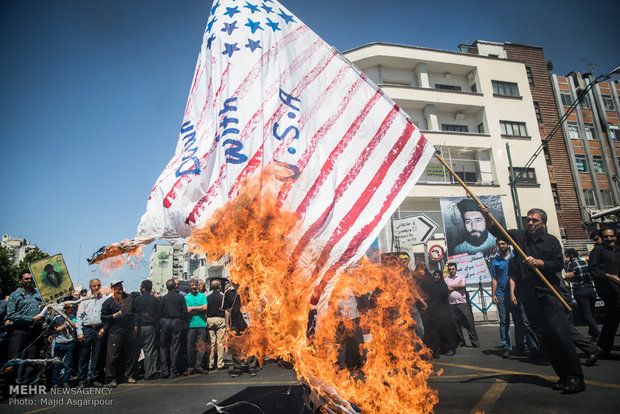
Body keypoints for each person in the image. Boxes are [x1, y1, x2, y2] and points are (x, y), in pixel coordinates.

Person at [482, 206, 585, 393]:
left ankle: (576, 377)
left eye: (534, 220)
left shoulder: (552, 241)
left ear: (543, 223)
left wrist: (540, 263)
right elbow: (496, 230)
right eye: (528, 220)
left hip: (549, 294)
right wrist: (486, 215)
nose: (530, 223)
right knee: (545, 338)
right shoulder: (520, 237)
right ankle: (563, 375)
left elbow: (557, 264)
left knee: (561, 336)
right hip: (529, 297)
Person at [492, 239, 540, 358]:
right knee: (504, 322)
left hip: (516, 295)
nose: (501, 246)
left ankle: (521, 346)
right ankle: (506, 347)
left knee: (520, 321)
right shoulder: (496, 261)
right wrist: (493, 295)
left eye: (503, 244)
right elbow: (494, 279)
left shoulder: (516, 258)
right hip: (501, 295)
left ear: (508, 245)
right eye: (499, 244)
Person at [6, 271, 45, 385]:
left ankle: (28, 385)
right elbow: (11, 315)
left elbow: (44, 309)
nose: (28, 281)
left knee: (32, 358)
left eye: (30, 279)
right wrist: (31, 318)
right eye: (26, 279)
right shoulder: (15, 295)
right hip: (19, 330)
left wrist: (44, 319)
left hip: (35, 330)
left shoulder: (38, 294)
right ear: (20, 281)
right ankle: (11, 385)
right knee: (14, 358)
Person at [588, 228, 620, 357]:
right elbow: (592, 269)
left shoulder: (618, 250)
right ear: (602, 238)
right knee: (612, 317)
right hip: (609, 290)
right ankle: (603, 347)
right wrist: (608, 276)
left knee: (612, 319)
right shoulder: (598, 251)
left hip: (618, 290)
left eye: (611, 236)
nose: (609, 239)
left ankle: (603, 346)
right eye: (606, 237)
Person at [101, 280, 137, 387]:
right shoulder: (109, 302)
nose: (119, 288)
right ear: (112, 288)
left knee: (129, 354)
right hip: (115, 331)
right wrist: (114, 316)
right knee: (113, 356)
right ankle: (111, 379)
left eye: (120, 285)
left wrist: (135, 326)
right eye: (116, 286)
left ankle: (128, 376)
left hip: (128, 331)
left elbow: (135, 313)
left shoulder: (128, 298)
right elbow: (103, 317)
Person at [420, 270, 459, 358]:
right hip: (432, 312)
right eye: (435, 275)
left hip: (443, 311)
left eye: (438, 275)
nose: (436, 277)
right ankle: (435, 350)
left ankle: (450, 348)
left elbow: (443, 297)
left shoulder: (442, 285)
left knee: (446, 330)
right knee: (433, 332)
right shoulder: (430, 285)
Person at [75, 278, 107, 388]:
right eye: (94, 286)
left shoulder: (104, 299)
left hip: (98, 330)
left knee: (97, 356)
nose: (97, 288)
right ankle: (82, 380)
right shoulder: (85, 300)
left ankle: (94, 379)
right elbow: (79, 317)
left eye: (98, 285)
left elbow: (107, 316)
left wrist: (104, 328)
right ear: (90, 287)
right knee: (84, 355)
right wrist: (79, 332)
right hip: (87, 330)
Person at [564, 249, 600, 340]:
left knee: (587, 313)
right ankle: (593, 332)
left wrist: (565, 264)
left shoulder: (570, 266)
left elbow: (566, 276)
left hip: (579, 290)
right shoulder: (586, 262)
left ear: (570, 256)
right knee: (592, 312)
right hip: (590, 289)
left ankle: (596, 332)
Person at [224, 282, 258, 377]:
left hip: (248, 324)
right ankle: (237, 368)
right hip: (234, 324)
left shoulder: (248, 291)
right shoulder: (228, 293)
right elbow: (227, 310)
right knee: (235, 347)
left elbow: (254, 306)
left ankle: (251, 366)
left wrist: (255, 321)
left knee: (250, 345)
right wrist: (227, 325)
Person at [444, 262, 479, 347]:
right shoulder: (445, 279)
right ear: (448, 270)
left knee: (469, 321)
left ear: (456, 269)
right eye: (450, 269)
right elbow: (445, 289)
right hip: (451, 304)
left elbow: (462, 285)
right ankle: (461, 341)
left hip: (462, 303)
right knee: (456, 323)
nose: (451, 271)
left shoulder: (461, 277)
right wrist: (456, 286)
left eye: (453, 269)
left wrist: (451, 287)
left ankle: (474, 341)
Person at [159, 278, 188, 379]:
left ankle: (164, 370)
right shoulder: (180, 298)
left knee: (163, 347)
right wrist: (183, 322)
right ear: (175, 286)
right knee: (175, 347)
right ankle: (173, 370)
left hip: (165, 322)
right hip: (176, 322)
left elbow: (159, 313)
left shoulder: (163, 299)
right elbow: (185, 312)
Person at [133, 279, 161, 380]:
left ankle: (134, 372)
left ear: (143, 288)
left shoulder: (137, 300)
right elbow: (158, 314)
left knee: (136, 350)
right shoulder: (154, 300)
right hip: (150, 327)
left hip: (138, 327)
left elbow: (134, 313)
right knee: (148, 350)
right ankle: (149, 372)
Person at [49, 303, 77, 388]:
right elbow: (52, 330)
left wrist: (67, 319)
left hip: (70, 342)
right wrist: (59, 329)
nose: (66, 310)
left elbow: (75, 325)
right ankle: (55, 382)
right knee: (57, 363)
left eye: (68, 308)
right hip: (59, 343)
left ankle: (66, 381)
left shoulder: (72, 316)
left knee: (68, 363)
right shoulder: (56, 318)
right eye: (65, 308)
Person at [184, 279, 208, 376]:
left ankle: (199, 366)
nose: (194, 287)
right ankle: (190, 367)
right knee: (190, 347)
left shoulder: (202, 296)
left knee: (201, 346)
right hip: (190, 325)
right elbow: (187, 310)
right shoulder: (186, 297)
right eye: (192, 285)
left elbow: (205, 308)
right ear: (189, 286)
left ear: (198, 286)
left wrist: (193, 308)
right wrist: (200, 308)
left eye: (195, 285)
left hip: (201, 325)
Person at [206, 279, 226, 371]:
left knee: (211, 343)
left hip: (210, 320)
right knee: (220, 342)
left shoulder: (207, 297)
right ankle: (220, 364)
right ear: (219, 286)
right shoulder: (222, 296)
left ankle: (210, 364)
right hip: (220, 319)